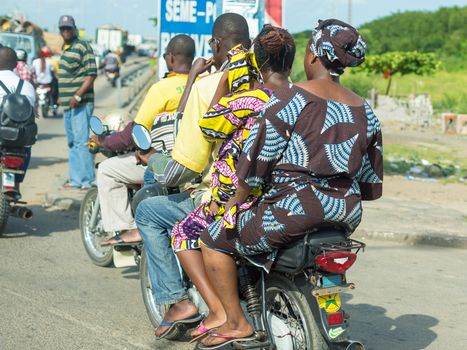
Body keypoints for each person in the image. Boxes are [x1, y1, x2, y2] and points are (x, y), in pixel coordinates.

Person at [198, 19, 383, 348]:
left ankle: (237, 322)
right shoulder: (366, 111)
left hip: (292, 211)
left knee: (213, 240)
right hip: (346, 215)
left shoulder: (289, 101)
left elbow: (251, 172)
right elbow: (370, 186)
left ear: (312, 56)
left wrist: (229, 208)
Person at [169, 25, 296, 342]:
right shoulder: (300, 98)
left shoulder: (249, 100)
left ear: (258, 62)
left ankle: (220, 312)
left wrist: (224, 81)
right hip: (278, 194)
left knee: (183, 232)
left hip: (235, 196)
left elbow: (208, 126)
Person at [134, 13, 251, 339]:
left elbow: (185, 167)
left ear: (215, 44)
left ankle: (179, 301)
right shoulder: (273, 83)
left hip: (220, 195)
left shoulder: (207, 88)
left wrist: (153, 160)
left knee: (147, 212)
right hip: (267, 192)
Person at [90, 34, 195, 243]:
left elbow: (134, 132)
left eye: (165, 55)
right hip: (196, 164)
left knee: (107, 169)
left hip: (164, 163)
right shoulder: (202, 84)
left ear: (171, 58)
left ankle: (126, 229)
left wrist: (105, 141)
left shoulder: (161, 88)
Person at [57, 15, 97, 190]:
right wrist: (63, 96)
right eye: (62, 28)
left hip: (81, 103)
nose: (65, 31)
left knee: (81, 142)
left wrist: (78, 96)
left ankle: (87, 181)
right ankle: (75, 180)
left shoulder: (83, 45)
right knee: (72, 142)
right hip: (68, 104)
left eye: (68, 28)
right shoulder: (65, 48)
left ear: (74, 28)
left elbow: (91, 74)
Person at [0, 47, 36, 185]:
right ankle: (16, 181)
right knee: (26, 148)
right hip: (21, 139)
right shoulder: (27, 86)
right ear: (16, 64)